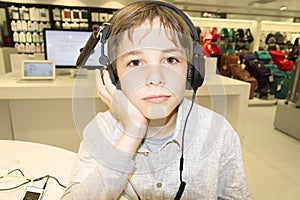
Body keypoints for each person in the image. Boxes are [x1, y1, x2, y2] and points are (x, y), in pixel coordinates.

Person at [61, 1, 250, 199]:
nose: (155, 77)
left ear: (191, 70)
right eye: (135, 62)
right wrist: (132, 132)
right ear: (114, 76)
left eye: (170, 60)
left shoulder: (219, 131)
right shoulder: (102, 130)